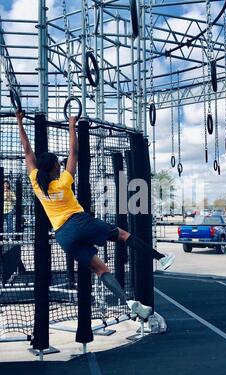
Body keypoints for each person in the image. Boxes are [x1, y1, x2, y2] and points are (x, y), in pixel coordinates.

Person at [15, 111, 175, 319]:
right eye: (58, 164)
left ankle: (129, 302)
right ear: (55, 167)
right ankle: (161, 259)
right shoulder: (63, 181)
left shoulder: (36, 182)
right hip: (78, 223)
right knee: (124, 236)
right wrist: (72, 125)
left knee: (100, 270)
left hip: (63, 237)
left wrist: (19, 121)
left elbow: (27, 152)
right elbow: (73, 153)